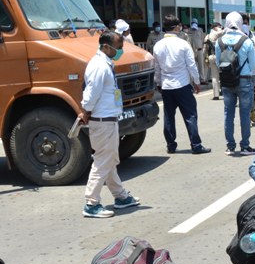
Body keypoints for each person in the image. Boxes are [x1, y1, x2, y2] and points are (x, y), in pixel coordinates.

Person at [78, 30, 140, 218]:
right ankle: (91, 203)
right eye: (118, 47)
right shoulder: (99, 66)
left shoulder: (105, 64)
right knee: (103, 161)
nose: (120, 51)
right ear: (106, 46)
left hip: (108, 120)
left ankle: (120, 196)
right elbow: (90, 95)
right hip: (102, 121)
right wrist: (85, 110)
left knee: (109, 160)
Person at [153, 16, 210, 156]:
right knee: (190, 115)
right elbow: (192, 65)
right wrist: (197, 82)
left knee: (168, 116)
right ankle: (196, 145)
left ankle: (171, 145)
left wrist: (158, 83)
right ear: (177, 27)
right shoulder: (183, 44)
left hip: (166, 87)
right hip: (182, 85)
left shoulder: (157, 45)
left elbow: (157, 68)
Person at [216, 12, 255, 156]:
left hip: (227, 81)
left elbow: (217, 62)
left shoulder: (219, 41)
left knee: (228, 113)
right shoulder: (246, 41)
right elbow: (253, 64)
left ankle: (230, 146)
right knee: (245, 114)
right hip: (244, 80)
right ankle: (245, 146)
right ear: (240, 23)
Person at [205, 21, 223, 100]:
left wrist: (205, 59)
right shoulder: (217, 33)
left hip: (210, 56)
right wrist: (218, 29)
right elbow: (223, 31)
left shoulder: (207, 36)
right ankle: (224, 91)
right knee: (223, 74)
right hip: (220, 56)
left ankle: (216, 95)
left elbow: (204, 49)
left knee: (214, 76)